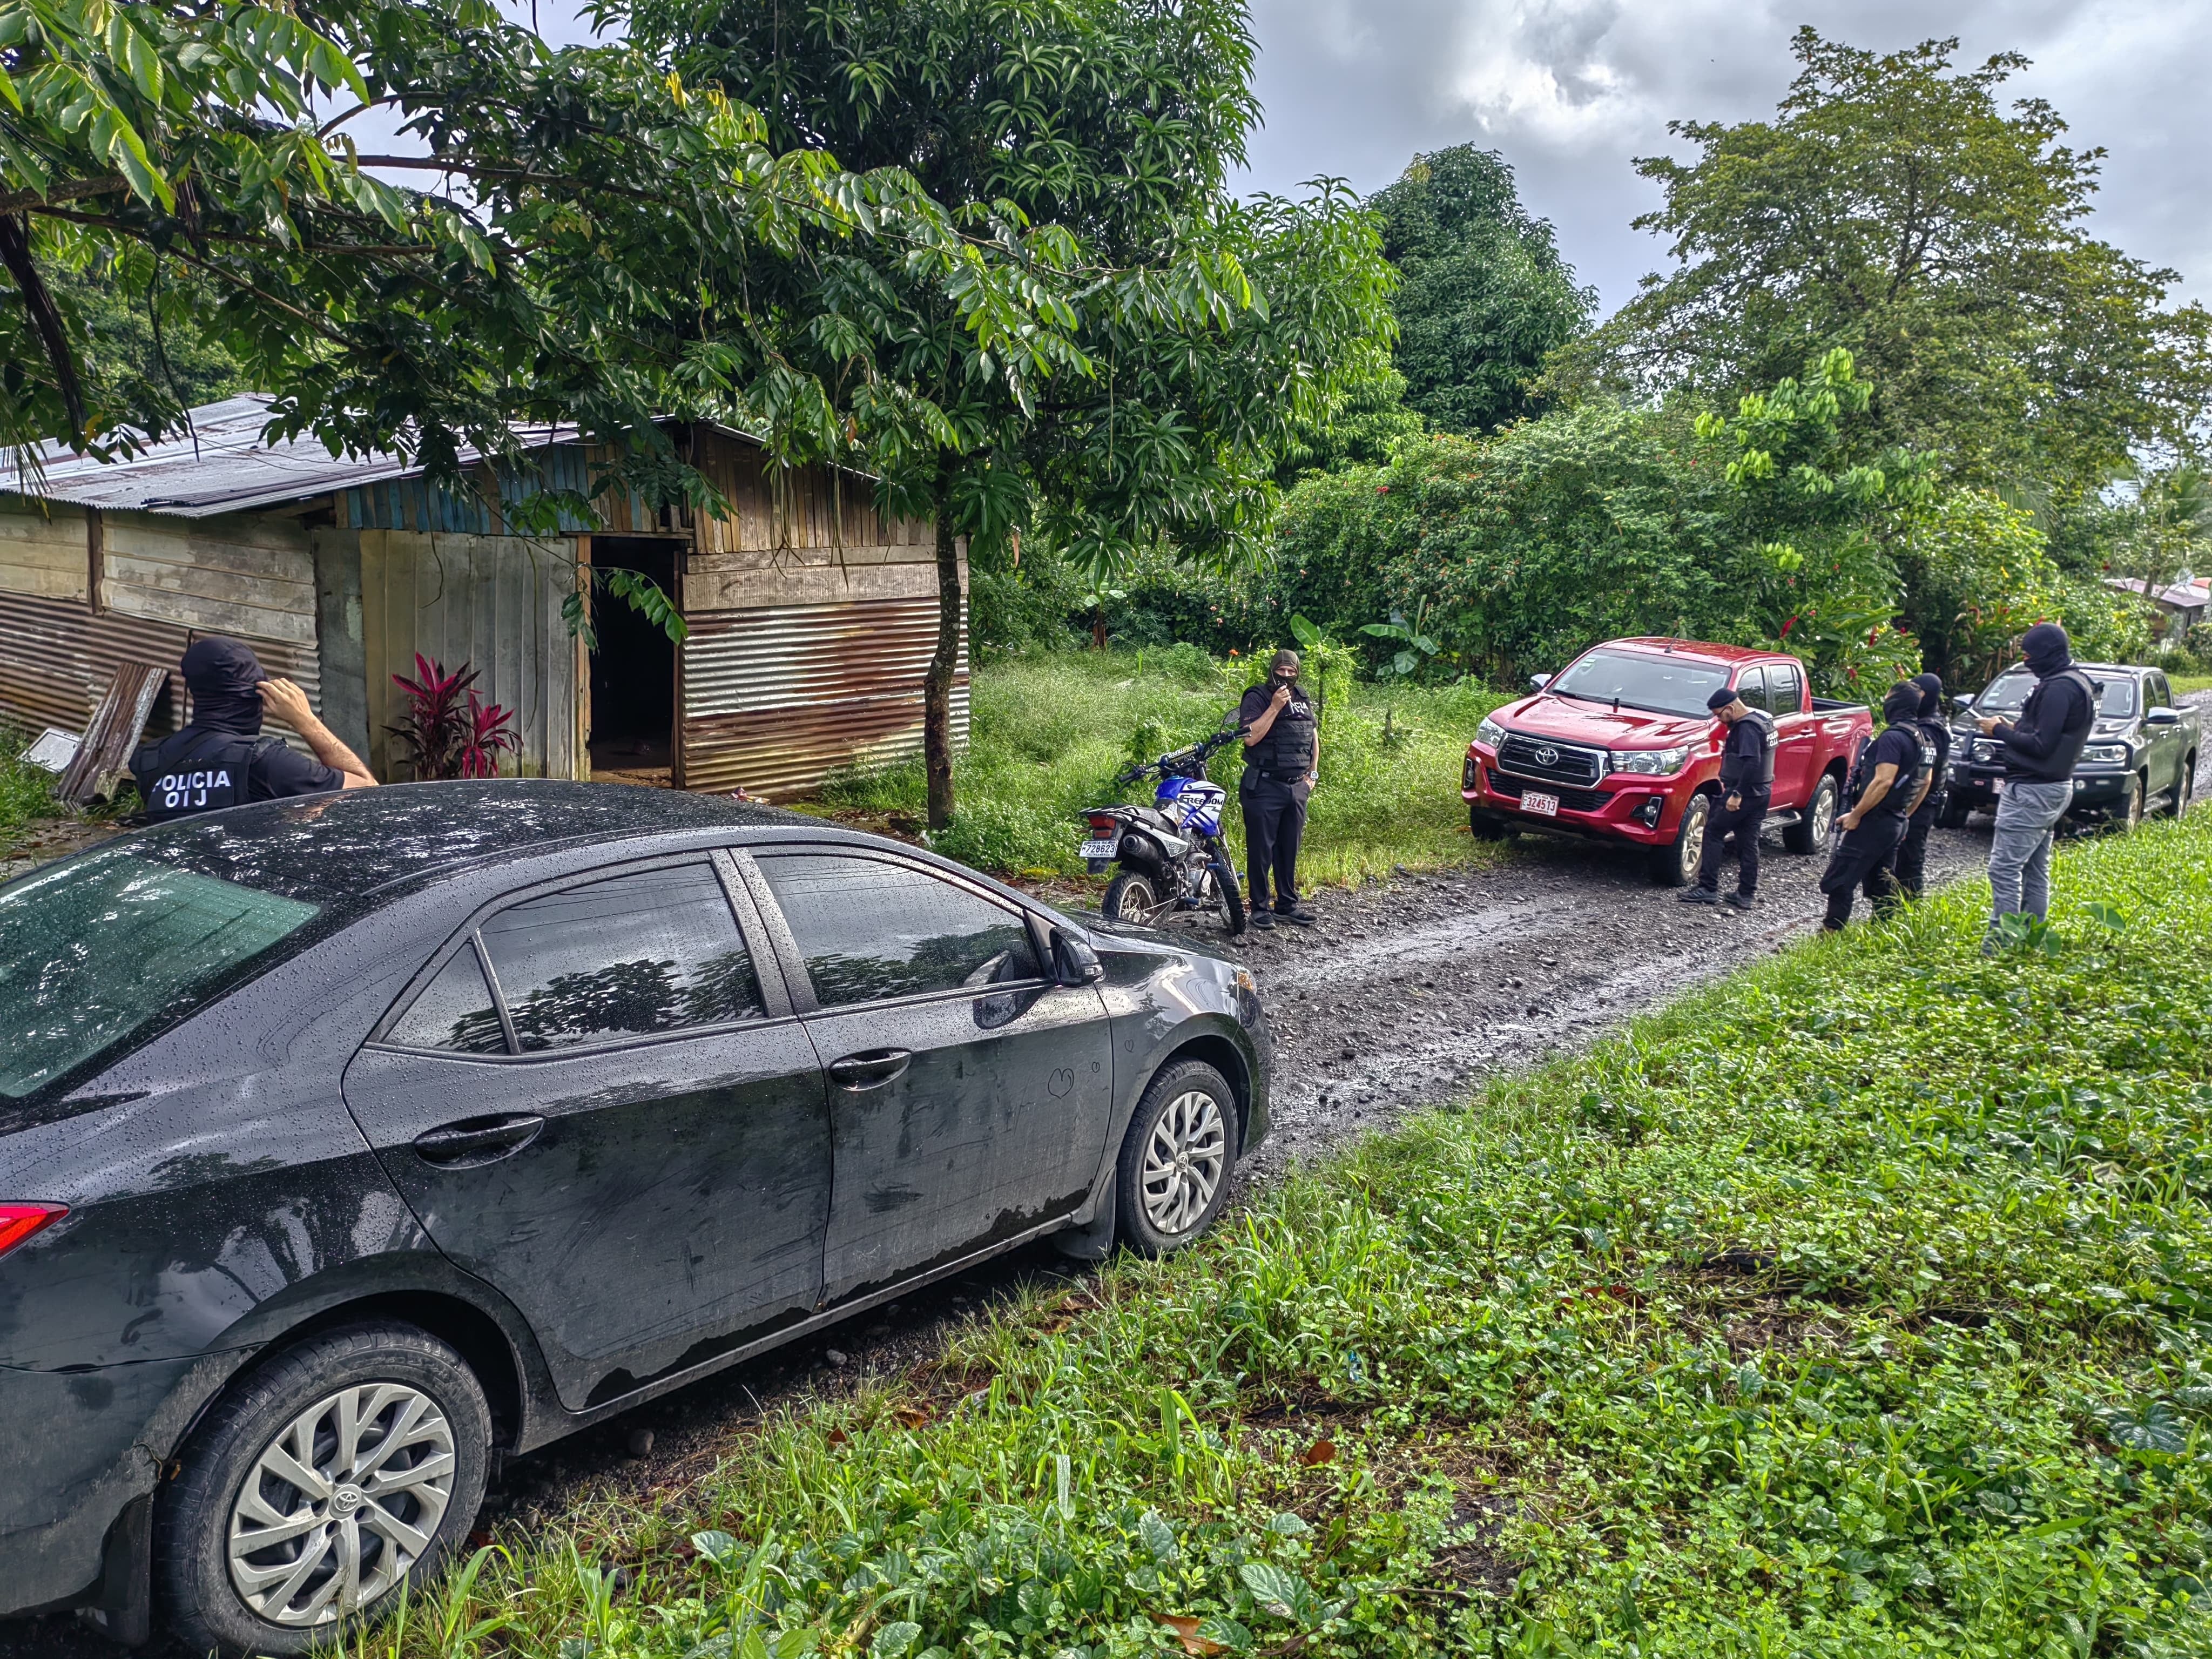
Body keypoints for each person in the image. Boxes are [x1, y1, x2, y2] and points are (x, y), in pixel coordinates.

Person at [131, 637, 376, 822]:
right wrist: (306, 721)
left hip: (180, 884)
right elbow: (369, 792)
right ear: (257, 695)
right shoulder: (265, 761)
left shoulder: (149, 759)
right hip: (243, 888)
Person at [1978, 621, 2096, 947]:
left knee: (2004, 870)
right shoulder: (2076, 682)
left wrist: (1998, 732)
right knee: (2034, 869)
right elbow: (2051, 735)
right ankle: (2031, 939)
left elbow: (2042, 746)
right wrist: (2013, 726)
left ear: (2049, 654)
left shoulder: (2059, 688)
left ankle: (1999, 945)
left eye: (2031, 655)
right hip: (2053, 787)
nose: (2027, 661)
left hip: (2033, 790)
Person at [1819, 680, 1926, 931]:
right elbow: (1926, 781)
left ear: (1896, 703)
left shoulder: (1893, 738)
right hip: (1895, 820)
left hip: (1875, 820)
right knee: (1882, 879)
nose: (1885, 703)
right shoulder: (1923, 738)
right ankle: (1884, 930)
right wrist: (1905, 815)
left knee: (1841, 879)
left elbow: (1883, 781)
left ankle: (1831, 934)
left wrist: (1856, 815)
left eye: (1888, 698)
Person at [1238, 648, 1319, 929]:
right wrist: (1274, 707)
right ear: (1272, 671)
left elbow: (1312, 735)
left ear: (1297, 673)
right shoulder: (1257, 697)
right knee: (1261, 851)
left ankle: (1287, 905)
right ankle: (1260, 908)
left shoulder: (1303, 697)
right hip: (1264, 785)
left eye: (1291, 671)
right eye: (1281, 671)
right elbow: (1250, 738)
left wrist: (1312, 777)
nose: (1286, 676)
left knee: (1289, 849)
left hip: (1296, 787)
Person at [1680, 683, 1774, 909]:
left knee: (1713, 832)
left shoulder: (1747, 728)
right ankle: (1746, 894)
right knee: (1748, 841)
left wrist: (1737, 794)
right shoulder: (1762, 720)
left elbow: (1752, 762)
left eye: (1720, 715)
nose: (1720, 721)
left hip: (1744, 793)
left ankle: (1708, 888)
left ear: (1730, 708)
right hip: (1762, 792)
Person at [1889, 671, 1950, 901]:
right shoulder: (1934, 723)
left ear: (1924, 695)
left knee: (1909, 859)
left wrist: (1905, 811)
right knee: (1902, 857)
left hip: (1921, 802)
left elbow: (1924, 776)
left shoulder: (1930, 729)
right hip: (1923, 801)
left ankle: (1909, 912)